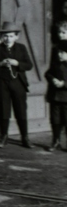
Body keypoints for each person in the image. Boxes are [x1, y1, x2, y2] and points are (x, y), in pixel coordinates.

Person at [0, 22, 35, 148]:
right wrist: (0, 64)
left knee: (20, 110)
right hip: (1, 83)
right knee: (4, 110)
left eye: (10, 36)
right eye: (5, 36)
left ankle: (25, 137)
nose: (7, 39)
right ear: (1, 37)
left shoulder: (21, 48)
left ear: (16, 37)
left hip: (18, 83)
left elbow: (29, 65)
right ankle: (4, 136)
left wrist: (17, 63)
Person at [46, 21, 67, 151]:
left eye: (64, 32)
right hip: (55, 94)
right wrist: (53, 79)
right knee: (55, 119)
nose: (61, 35)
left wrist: (64, 83)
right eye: (59, 32)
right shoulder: (56, 50)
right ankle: (56, 140)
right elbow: (49, 71)